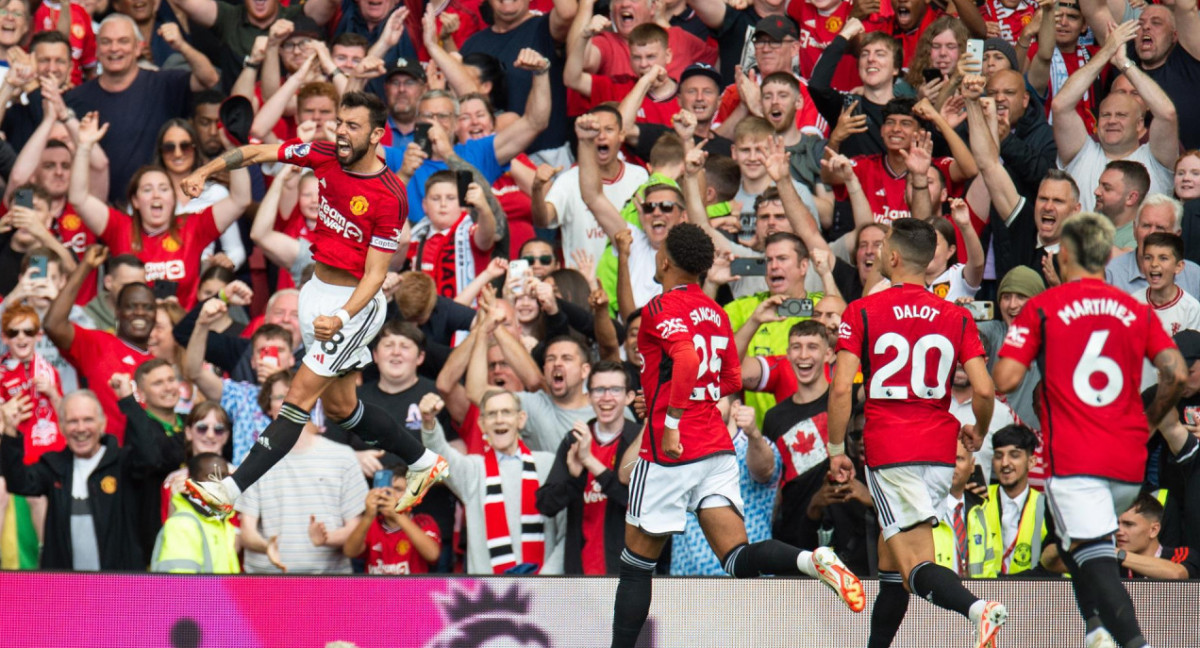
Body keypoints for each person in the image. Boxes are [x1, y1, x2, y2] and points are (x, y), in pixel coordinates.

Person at [180, 91, 446, 518]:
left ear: (378, 135)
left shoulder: (390, 195)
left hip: (352, 305)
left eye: (352, 126)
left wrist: (340, 317)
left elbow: (376, 276)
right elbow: (259, 150)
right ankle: (423, 461)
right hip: (315, 293)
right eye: (340, 122)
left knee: (297, 396)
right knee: (342, 408)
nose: (341, 131)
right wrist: (205, 170)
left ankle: (229, 491)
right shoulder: (324, 155)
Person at [611, 223, 863, 648]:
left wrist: (671, 420)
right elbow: (730, 377)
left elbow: (688, 359)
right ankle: (811, 559)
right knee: (736, 557)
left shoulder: (660, 307)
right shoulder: (714, 313)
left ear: (667, 260)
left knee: (636, 566)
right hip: (716, 448)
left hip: (669, 450)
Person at [994, 212, 1187, 648]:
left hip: (1076, 460)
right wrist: (1149, 419)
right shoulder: (1134, 310)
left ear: (1065, 255)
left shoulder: (1045, 306)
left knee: (1093, 556)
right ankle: (1095, 630)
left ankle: (1133, 641)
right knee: (1067, 539)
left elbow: (1005, 379)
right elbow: (1174, 372)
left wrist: (1022, 346)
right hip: (1126, 461)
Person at [827, 218, 1006, 648]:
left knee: (914, 566)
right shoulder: (956, 315)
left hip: (892, 450)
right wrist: (979, 432)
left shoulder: (863, 310)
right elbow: (983, 388)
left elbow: (839, 389)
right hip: (939, 452)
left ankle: (978, 610)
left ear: (891, 257)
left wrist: (836, 448)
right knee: (892, 572)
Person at [0, 389, 169, 570]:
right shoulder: (54, 465)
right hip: (66, 586)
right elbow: (19, 482)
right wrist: (10, 432)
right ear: (62, 427)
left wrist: (128, 400)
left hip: (119, 585)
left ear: (102, 424)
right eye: (73, 421)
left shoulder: (124, 462)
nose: (81, 428)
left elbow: (152, 458)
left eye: (88, 420)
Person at [420, 390, 565, 575]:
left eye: (506, 412)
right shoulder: (474, 470)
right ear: (482, 424)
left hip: (544, 591)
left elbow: (565, 532)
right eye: (491, 414)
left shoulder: (548, 464)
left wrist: (546, 581)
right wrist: (429, 421)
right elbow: (440, 454)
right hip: (488, 596)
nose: (499, 419)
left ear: (521, 419)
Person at [535, 360, 640, 575]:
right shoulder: (576, 439)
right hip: (580, 572)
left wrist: (590, 461)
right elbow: (545, 504)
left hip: (628, 572)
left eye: (615, 390)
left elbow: (637, 504)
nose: (606, 397)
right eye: (599, 390)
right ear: (589, 395)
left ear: (629, 397)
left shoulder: (638, 439)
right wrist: (575, 480)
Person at [43, 246, 155, 441]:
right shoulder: (99, 344)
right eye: (131, 306)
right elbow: (53, 324)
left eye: (147, 307)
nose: (140, 313)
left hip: (147, 463)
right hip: (105, 457)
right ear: (118, 312)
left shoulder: (159, 364)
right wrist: (85, 267)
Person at [967, 424, 1049, 577]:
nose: (1004, 463)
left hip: (1032, 594)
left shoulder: (1046, 508)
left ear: (1031, 462)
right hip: (982, 593)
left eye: (1014, 455)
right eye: (998, 456)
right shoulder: (977, 499)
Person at [342, 462, 442, 575]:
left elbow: (433, 555)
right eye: (386, 488)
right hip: (376, 591)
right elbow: (350, 552)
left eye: (398, 489)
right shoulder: (371, 524)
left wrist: (397, 514)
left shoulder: (423, 522)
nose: (390, 494)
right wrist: (368, 516)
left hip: (412, 591)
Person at [150, 453, 240, 574]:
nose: (220, 483)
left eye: (224, 476)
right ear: (192, 481)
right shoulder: (182, 524)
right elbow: (180, 586)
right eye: (211, 476)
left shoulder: (222, 521)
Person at [1114, 494, 1200, 579]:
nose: (1118, 532)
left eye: (1128, 524)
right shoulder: (1111, 563)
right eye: (1116, 524)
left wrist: (1119, 555)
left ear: (1154, 530)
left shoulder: (1182, 555)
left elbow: (1177, 574)